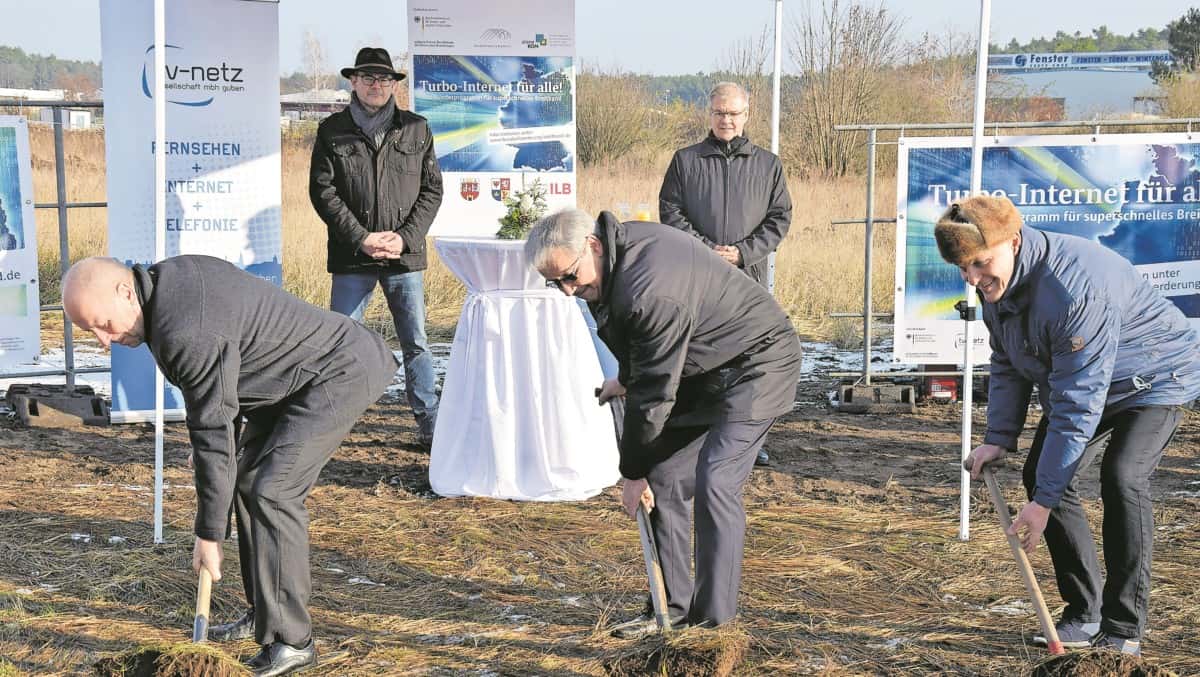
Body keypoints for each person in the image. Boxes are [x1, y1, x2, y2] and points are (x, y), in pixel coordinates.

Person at [62, 255, 399, 676]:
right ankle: (267, 616)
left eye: (103, 324)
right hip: (283, 384)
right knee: (245, 481)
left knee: (272, 491)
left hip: (338, 370)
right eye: (90, 332)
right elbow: (219, 399)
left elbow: (212, 425)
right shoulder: (166, 290)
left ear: (125, 292)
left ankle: (292, 641)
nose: (104, 341)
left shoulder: (185, 325)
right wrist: (214, 455)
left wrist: (209, 535)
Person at [938, 195, 1200, 657]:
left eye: (980, 264)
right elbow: (1007, 360)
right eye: (963, 269)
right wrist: (999, 438)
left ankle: (1123, 626)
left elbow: (1078, 405)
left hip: (1156, 377)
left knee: (1123, 478)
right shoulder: (999, 287)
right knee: (1042, 473)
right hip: (1092, 383)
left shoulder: (1072, 289)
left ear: (1013, 242)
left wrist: (1042, 504)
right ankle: (1085, 611)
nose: (973, 280)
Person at [524, 209, 802, 639]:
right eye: (556, 282)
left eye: (570, 277)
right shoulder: (618, 255)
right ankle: (670, 607)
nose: (567, 291)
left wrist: (632, 472)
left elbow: (654, 396)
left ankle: (712, 627)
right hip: (701, 365)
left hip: (758, 363)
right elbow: (651, 351)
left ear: (593, 247)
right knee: (667, 477)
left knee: (716, 481)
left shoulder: (648, 288)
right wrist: (627, 380)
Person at [309, 46, 442, 449]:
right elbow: (322, 191)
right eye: (367, 78)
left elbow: (432, 190)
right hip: (353, 257)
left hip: (405, 257)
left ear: (393, 85)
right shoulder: (332, 130)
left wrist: (404, 238)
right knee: (340, 342)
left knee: (416, 341)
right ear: (353, 82)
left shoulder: (417, 128)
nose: (376, 85)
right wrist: (361, 238)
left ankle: (429, 424)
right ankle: (327, 427)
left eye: (384, 79)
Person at [658, 81, 792, 466]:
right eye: (719, 112)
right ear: (710, 114)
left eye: (733, 113)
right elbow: (671, 211)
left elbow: (779, 218)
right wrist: (705, 252)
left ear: (747, 115)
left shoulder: (768, 165)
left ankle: (746, 439)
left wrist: (743, 252)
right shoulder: (685, 161)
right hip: (698, 278)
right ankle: (694, 436)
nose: (726, 120)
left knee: (748, 358)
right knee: (697, 353)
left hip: (748, 279)